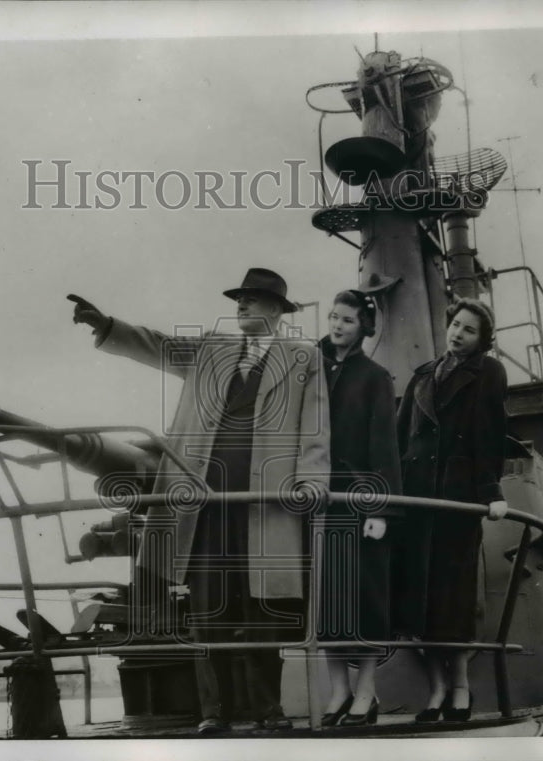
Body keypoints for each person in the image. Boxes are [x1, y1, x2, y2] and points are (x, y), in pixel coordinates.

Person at [69, 267, 330, 735]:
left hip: (263, 504)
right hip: (204, 504)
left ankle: (267, 710)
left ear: (276, 309)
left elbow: (317, 426)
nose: (241, 306)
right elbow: (157, 346)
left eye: (251, 299)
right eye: (239, 299)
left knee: (262, 611)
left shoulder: (303, 357)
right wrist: (106, 325)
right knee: (207, 608)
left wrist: (311, 481)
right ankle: (215, 711)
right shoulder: (212, 347)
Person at [394, 297, 509, 723]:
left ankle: (460, 686)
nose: (458, 333)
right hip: (417, 498)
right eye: (456, 325)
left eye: (469, 330)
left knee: (452, 597)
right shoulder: (422, 375)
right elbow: (400, 437)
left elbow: (490, 434)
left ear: (483, 339)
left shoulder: (489, 372)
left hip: (457, 500)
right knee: (417, 597)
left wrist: (491, 490)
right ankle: (437, 689)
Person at [315, 290, 402, 727]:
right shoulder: (311, 369)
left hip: (357, 500)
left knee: (364, 598)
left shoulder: (374, 377)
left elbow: (383, 448)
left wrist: (380, 510)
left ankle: (367, 693)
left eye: (347, 320)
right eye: (333, 317)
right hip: (317, 500)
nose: (337, 326)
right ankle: (338, 693)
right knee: (328, 602)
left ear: (363, 327)